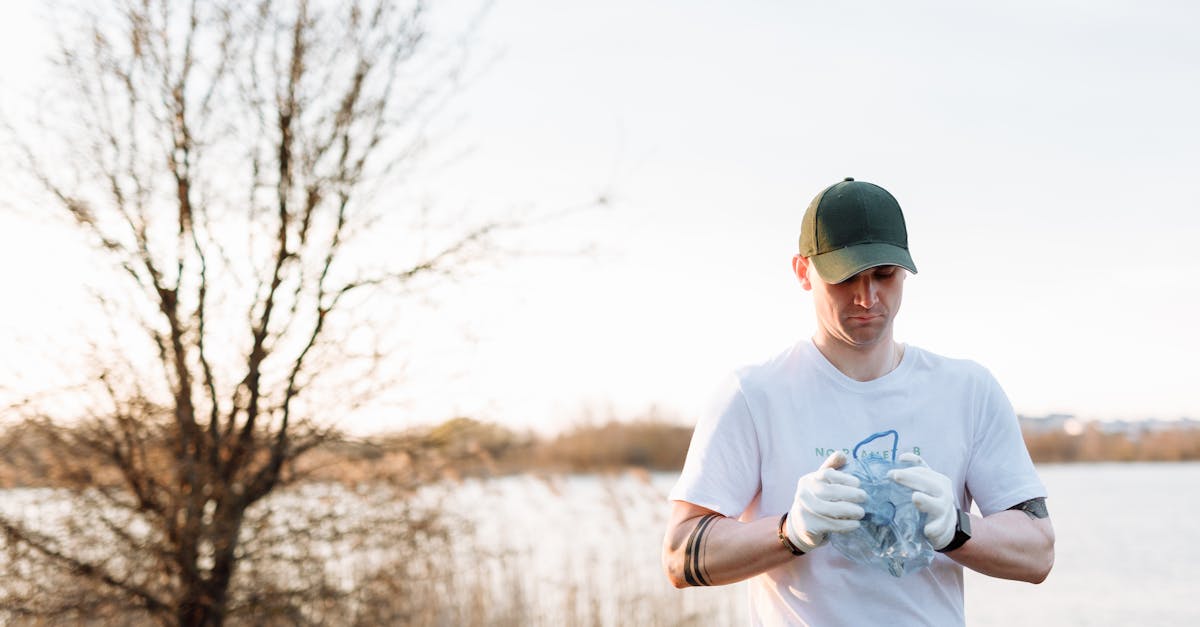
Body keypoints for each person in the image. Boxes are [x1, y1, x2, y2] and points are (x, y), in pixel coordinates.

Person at [661, 177, 1054, 626]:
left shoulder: (968, 390)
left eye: (884, 275)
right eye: (845, 278)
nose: (867, 298)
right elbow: (679, 555)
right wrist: (790, 531)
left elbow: (1038, 552)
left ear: (905, 270)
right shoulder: (754, 394)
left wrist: (957, 528)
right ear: (802, 271)